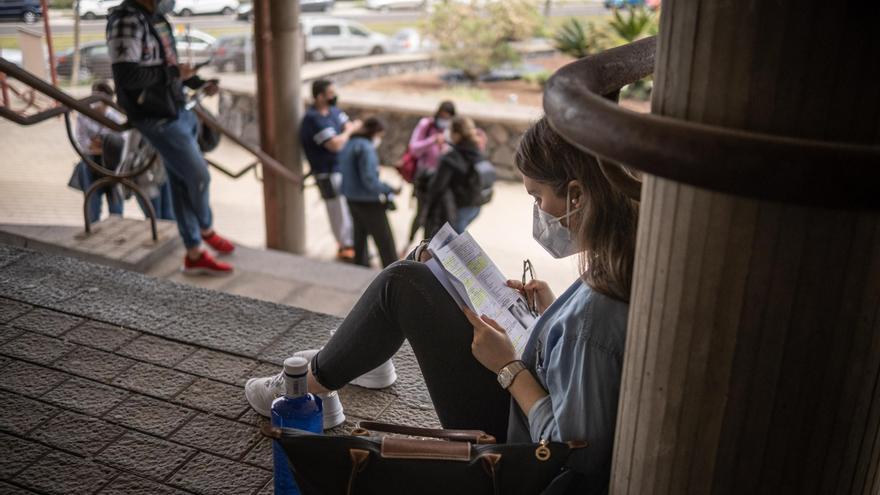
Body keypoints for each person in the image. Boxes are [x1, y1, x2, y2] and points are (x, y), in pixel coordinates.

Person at [245, 116, 641, 493]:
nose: (538, 212)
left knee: (404, 283)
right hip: (529, 401)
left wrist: (508, 368)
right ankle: (354, 357)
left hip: (516, 451)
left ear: (576, 194)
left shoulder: (593, 320)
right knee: (424, 272)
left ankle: (305, 389)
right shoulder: (625, 262)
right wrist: (548, 315)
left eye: (538, 197)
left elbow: (567, 455)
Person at [107, 0, 235, 276]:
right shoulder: (127, 21)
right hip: (156, 117)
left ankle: (194, 252)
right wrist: (175, 73)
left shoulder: (157, 19)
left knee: (180, 181)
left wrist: (197, 83)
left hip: (176, 108)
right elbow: (127, 76)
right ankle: (206, 228)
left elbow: (167, 67)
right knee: (199, 176)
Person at [300, 79, 363, 262]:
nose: (333, 97)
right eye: (330, 94)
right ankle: (344, 246)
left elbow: (347, 124)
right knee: (337, 210)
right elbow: (334, 144)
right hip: (326, 172)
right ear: (319, 97)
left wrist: (345, 133)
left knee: (346, 209)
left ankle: (350, 243)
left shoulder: (333, 112)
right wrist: (347, 133)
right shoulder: (313, 119)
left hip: (340, 169)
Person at [339, 117, 400, 268]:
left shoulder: (349, 143)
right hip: (368, 201)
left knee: (359, 236)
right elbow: (370, 180)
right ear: (375, 132)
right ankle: (393, 271)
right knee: (385, 241)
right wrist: (389, 189)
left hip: (350, 197)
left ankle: (360, 266)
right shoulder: (366, 148)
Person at [422, 116, 487, 236]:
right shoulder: (476, 150)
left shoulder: (450, 157)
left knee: (453, 248)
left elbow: (437, 187)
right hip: (474, 207)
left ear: (456, 134)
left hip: (458, 209)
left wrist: (427, 213)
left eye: (449, 130)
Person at [405, 100, 455, 249]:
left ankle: (429, 248)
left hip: (441, 180)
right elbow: (414, 148)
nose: (444, 121)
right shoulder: (426, 125)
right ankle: (413, 244)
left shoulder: (451, 130)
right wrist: (432, 141)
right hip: (424, 179)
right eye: (442, 117)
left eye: (448, 118)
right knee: (422, 214)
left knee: (436, 216)